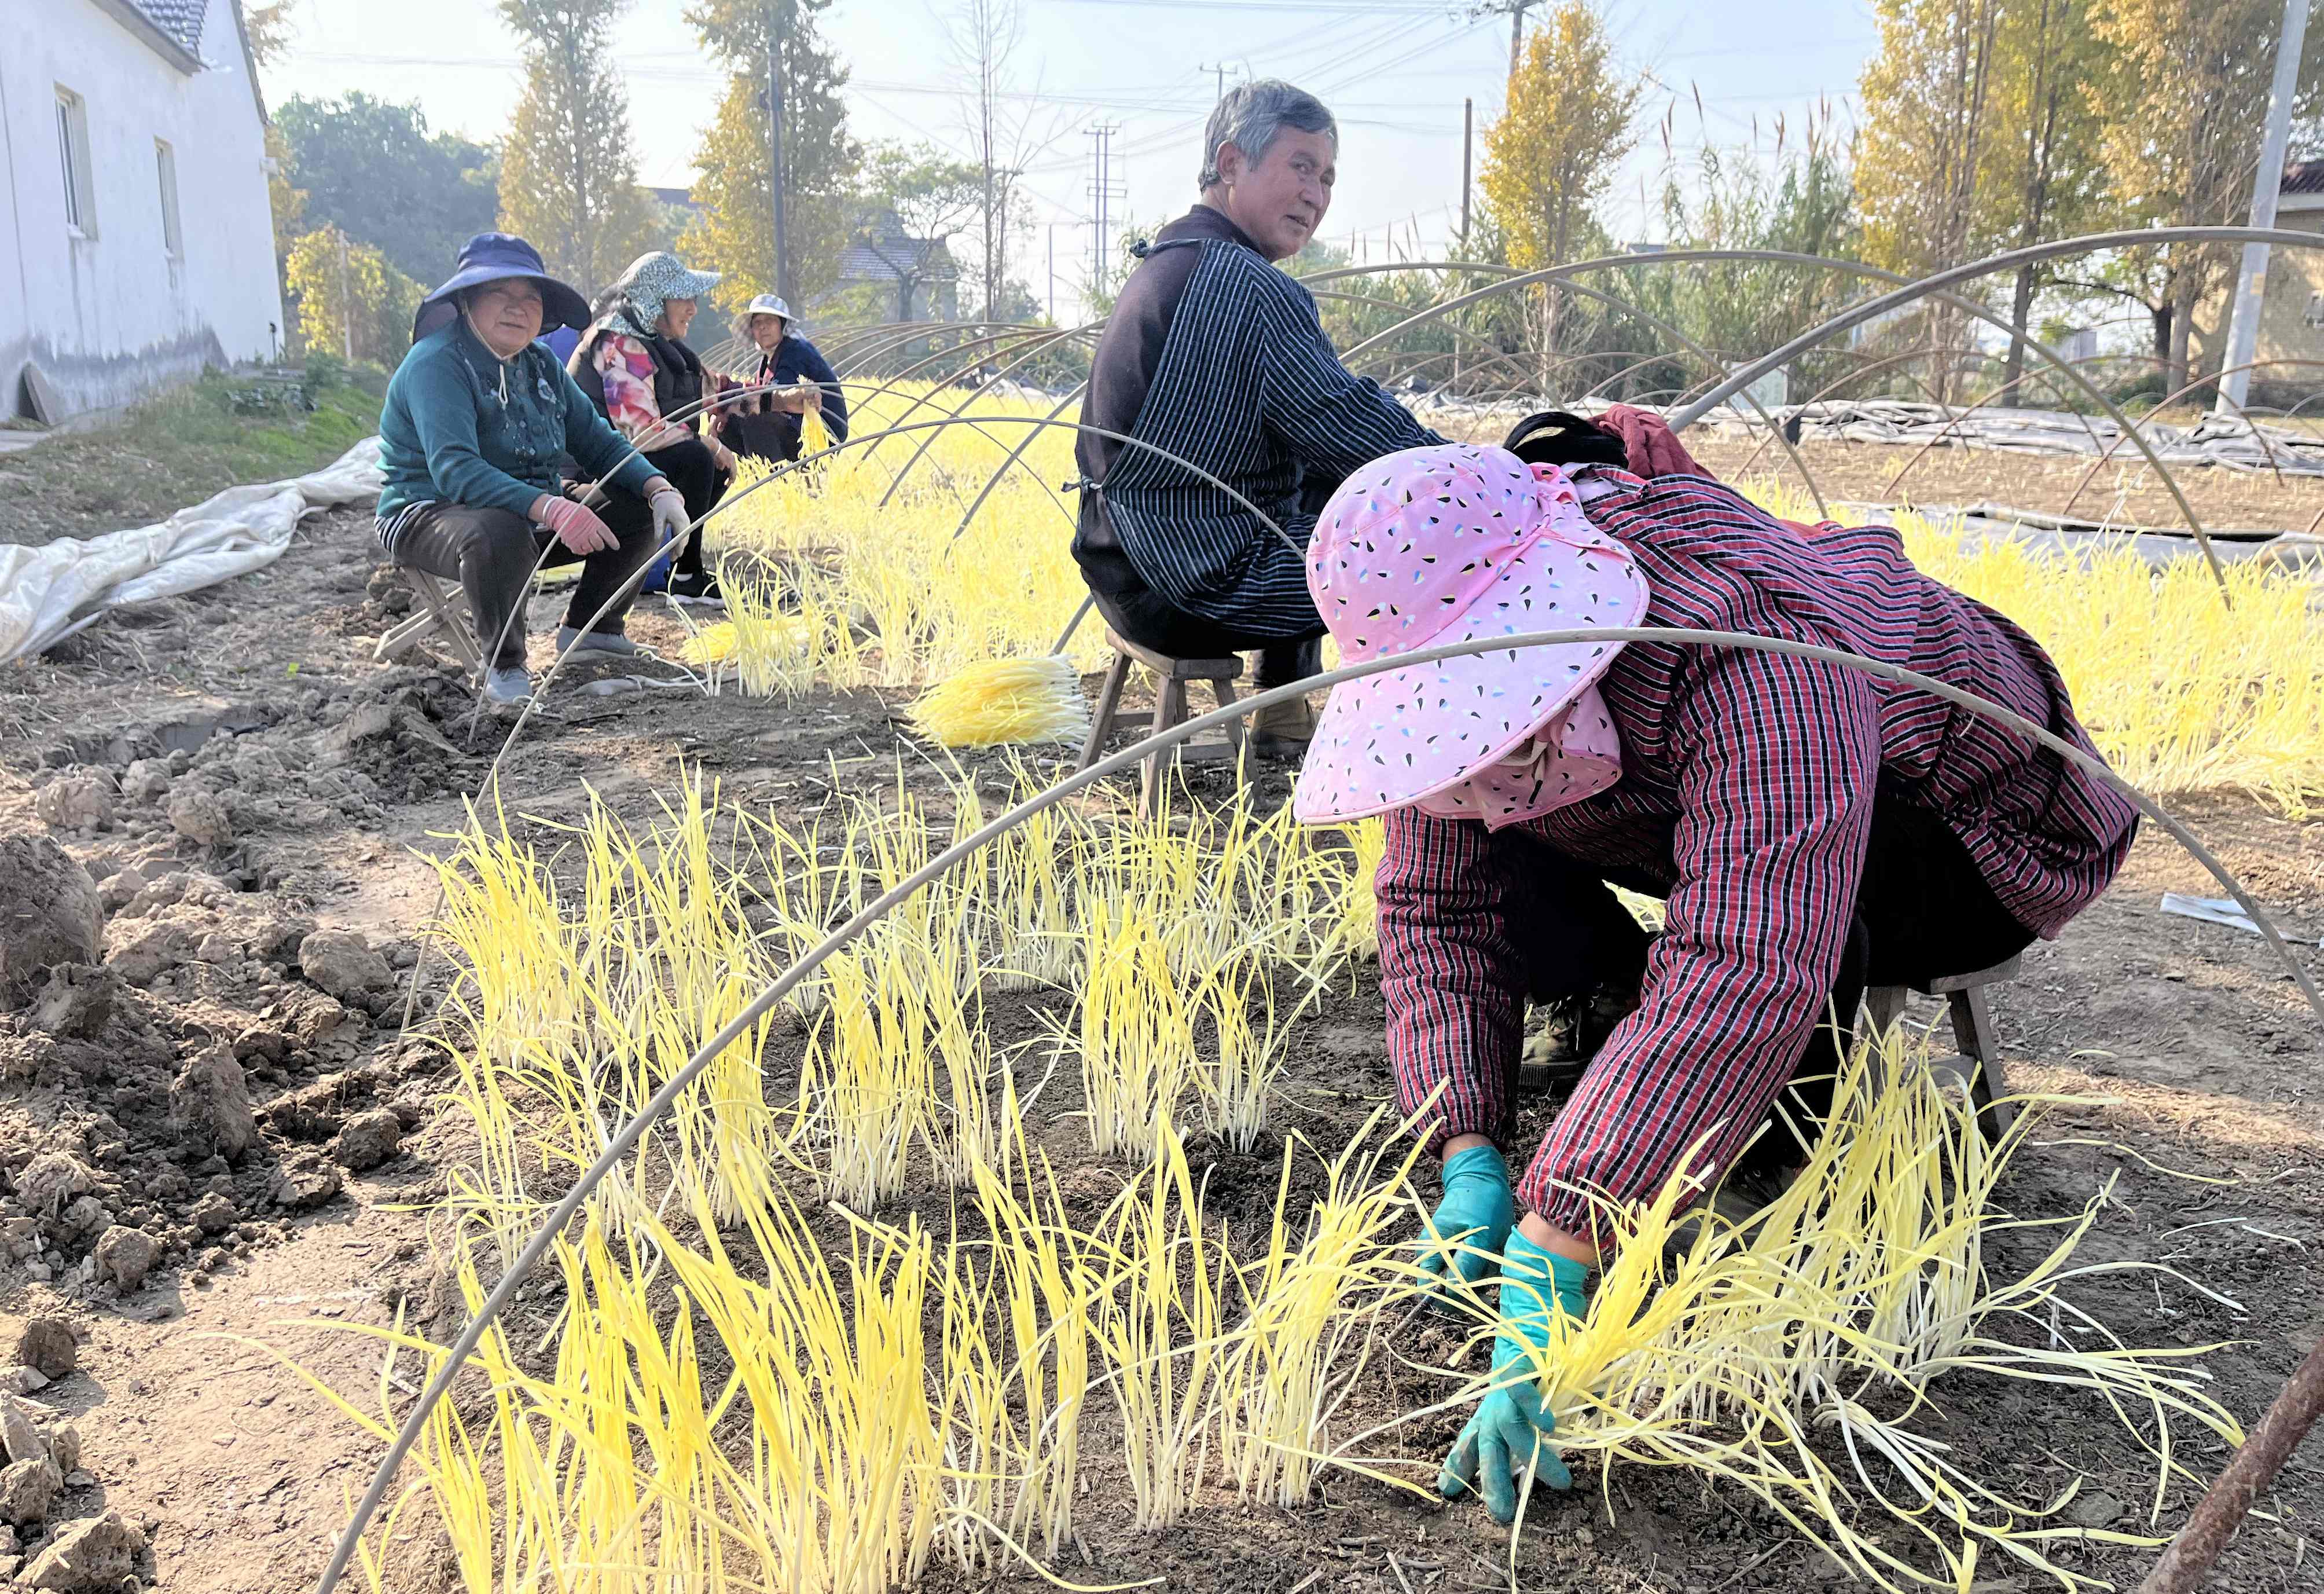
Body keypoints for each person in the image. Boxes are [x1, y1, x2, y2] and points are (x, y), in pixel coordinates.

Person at [1288, 426, 2139, 1523]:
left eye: (1494, 732)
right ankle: (1639, 1053)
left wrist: (1561, 1239)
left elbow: (1749, 954)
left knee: (1797, 938)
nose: (1480, 779)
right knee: (1483, 853)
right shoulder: (1451, 637)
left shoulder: (1746, 645)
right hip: (1719, 801)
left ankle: (1762, 1151)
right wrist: (1467, 1147)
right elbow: (1435, 904)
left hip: (1969, 824)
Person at [1074, 78, 1443, 758]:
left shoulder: (1173, 259)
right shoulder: (1246, 285)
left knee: (1321, 484)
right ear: (1230, 163)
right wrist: (1477, 476)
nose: (1317, 194)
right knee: (1422, 542)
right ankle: (1423, 745)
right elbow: (1359, 429)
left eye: (1328, 178)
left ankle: (1285, 706)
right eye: (1301, 166)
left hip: (1118, 558)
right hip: (1184, 580)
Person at [375, 233, 691, 706]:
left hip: (530, 506)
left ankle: (593, 628)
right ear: (466, 301)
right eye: (499, 293)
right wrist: (554, 508)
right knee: (495, 529)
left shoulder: (540, 363)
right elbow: (454, 469)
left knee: (633, 500)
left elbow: (597, 439)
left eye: (529, 297)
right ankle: (504, 665)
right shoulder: (437, 364)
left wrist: (658, 486)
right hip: (431, 510)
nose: (516, 308)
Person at [571, 251, 735, 606]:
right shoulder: (618, 343)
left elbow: (714, 390)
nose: (693, 309)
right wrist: (708, 443)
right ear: (654, 301)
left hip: (624, 461)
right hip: (591, 469)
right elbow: (640, 432)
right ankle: (686, 575)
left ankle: (675, 565)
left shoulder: (657, 343)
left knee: (709, 461)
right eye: (684, 299)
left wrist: (782, 400)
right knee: (696, 457)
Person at [724, 294, 849, 465]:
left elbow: (780, 396)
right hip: (794, 427)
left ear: (782, 325)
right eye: (757, 323)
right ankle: (759, 475)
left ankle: (777, 479)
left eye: (770, 321)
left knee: (756, 419)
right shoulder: (767, 359)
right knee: (728, 424)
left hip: (821, 435)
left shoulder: (795, 351)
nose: (763, 327)